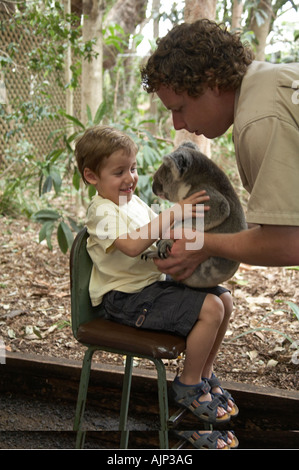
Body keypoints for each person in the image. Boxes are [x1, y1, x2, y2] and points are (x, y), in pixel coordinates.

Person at [75, 124, 239, 449]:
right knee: (209, 308)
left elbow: (159, 236)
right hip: (123, 300)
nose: (130, 178)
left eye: (133, 168)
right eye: (119, 172)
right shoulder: (101, 212)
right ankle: (188, 387)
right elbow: (134, 245)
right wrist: (174, 212)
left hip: (151, 290)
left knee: (224, 299)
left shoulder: (133, 203)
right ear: (92, 177)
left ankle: (202, 379)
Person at [141, 18, 299, 283]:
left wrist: (205, 244)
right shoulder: (269, 82)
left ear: (212, 82)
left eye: (179, 108)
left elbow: (288, 242)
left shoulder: (259, 119)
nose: (178, 124)